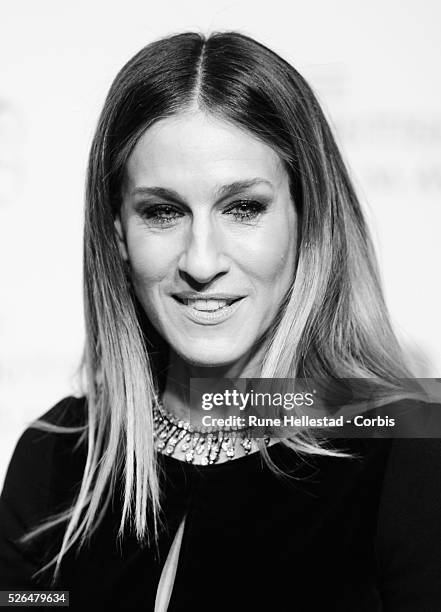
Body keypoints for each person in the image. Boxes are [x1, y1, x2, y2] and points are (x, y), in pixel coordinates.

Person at [1, 31, 441, 611]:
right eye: (162, 212)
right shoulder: (57, 460)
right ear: (118, 233)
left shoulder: (408, 449)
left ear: (307, 219)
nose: (201, 262)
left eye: (243, 208)